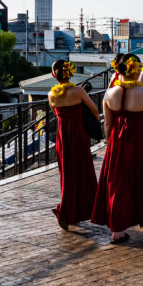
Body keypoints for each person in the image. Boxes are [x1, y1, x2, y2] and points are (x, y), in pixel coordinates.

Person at [91, 54, 143, 242]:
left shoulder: (109, 94)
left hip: (117, 144)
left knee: (118, 183)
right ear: (135, 71)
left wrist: (110, 145)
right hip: (141, 142)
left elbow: (107, 125)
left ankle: (117, 230)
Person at [49, 60, 101, 230]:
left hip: (62, 138)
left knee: (67, 176)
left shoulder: (51, 95)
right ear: (70, 73)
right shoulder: (78, 91)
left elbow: (56, 114)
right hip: (78, 136)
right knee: (83, 174)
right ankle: (68, 211)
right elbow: (93, 109)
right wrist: (96, 127)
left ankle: (70, 211)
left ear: (54, 76)